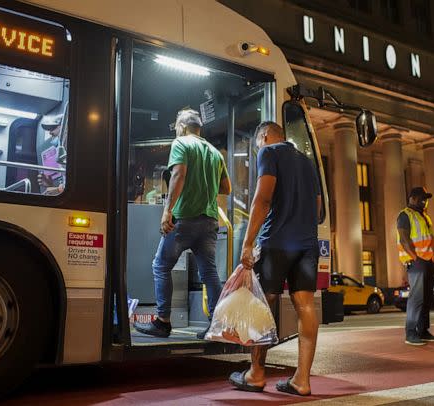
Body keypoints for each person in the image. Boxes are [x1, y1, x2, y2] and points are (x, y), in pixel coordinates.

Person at [228, 122, 321, 397]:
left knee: (263, 302)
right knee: (305, 305)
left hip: (276, 242)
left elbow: (262, 199)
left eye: (258, 144)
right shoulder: (306, 162)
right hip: (307, 245)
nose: (259, 149)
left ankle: (256, 374)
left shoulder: (269, 153)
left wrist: (247, 243)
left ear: (264, 136)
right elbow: (316, 207)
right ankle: (301, 380)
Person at [134, 108, 231, 339]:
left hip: (184, 219)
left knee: (161, 265)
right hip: (208, 221)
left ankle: (163, 321)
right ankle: (217, 325)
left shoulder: (181, 143)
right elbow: (226, 188)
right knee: (209, 273)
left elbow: (178, 175)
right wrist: (203, 184)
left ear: (183, 127)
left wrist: (167, 210)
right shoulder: (215, 153)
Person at [397, 187, 434, 346]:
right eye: (421, 198)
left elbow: (430, 241)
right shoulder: (405, 215)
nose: (425, 201)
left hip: (428, 262)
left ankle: (423, 331)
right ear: (412, 198)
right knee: (416, 299)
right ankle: (411, 333)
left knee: (426, 298)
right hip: (416, 262)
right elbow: (404, 240)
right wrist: (415, 258)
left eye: (426, 198)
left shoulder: (424, 217)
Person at [38, 113, 66, 195]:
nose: (50, 132)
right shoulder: (61, 151)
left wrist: (59, 190)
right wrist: (50, 185)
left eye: (53, 128)